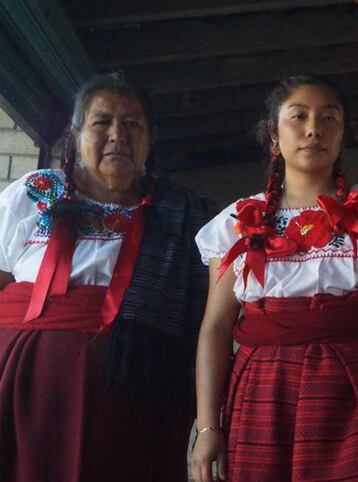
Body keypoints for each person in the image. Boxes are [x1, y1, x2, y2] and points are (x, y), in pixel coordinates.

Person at [189, 75, 358, 482]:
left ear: (343, 134)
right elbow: (216, 327)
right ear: (273, 136)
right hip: (262, 392)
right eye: (299, 116)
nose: (315, 128)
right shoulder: (236, 223)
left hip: (356, 388)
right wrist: (208, 426)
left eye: (329, 118)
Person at [0, 72, 214, 481]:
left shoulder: (184, 215)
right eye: (102, 122)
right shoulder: (36, 191)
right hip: (24, 387)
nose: (118, 135)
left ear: (151, 139)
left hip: (130, 396)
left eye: (133, 124)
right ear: (77, 134)